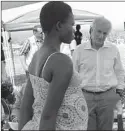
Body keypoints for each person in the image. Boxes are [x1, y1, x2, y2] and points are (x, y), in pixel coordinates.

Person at [18, 2, 88, 130]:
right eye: (71, 24)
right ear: (59, 25)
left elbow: (26, 105)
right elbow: (48, 115)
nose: (74, 30)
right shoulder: (61, 61)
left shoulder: (36, 57)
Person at [72, 17, 125, 130]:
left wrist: (119, 91)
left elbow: (119, 71)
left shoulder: (113, 49)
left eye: (105, 33)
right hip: (85, 96)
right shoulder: (79, 50)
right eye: (99, 31)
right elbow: (73, 74)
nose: (101, 36)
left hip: (107, 96)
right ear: (91, 30)